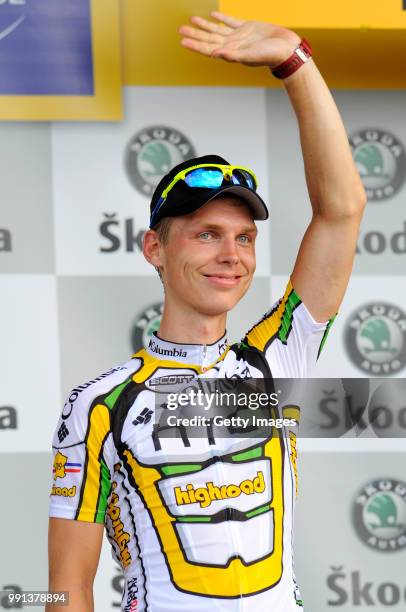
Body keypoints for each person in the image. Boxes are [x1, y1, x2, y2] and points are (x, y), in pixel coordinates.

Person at [47, 11, 366, 612]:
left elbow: (342, 210)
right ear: (155, 248)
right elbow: (63, 590)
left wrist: (296, 63)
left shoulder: (276, 363)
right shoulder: (98, 407)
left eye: (244, 238)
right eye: (206, 234)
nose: (231, 256)